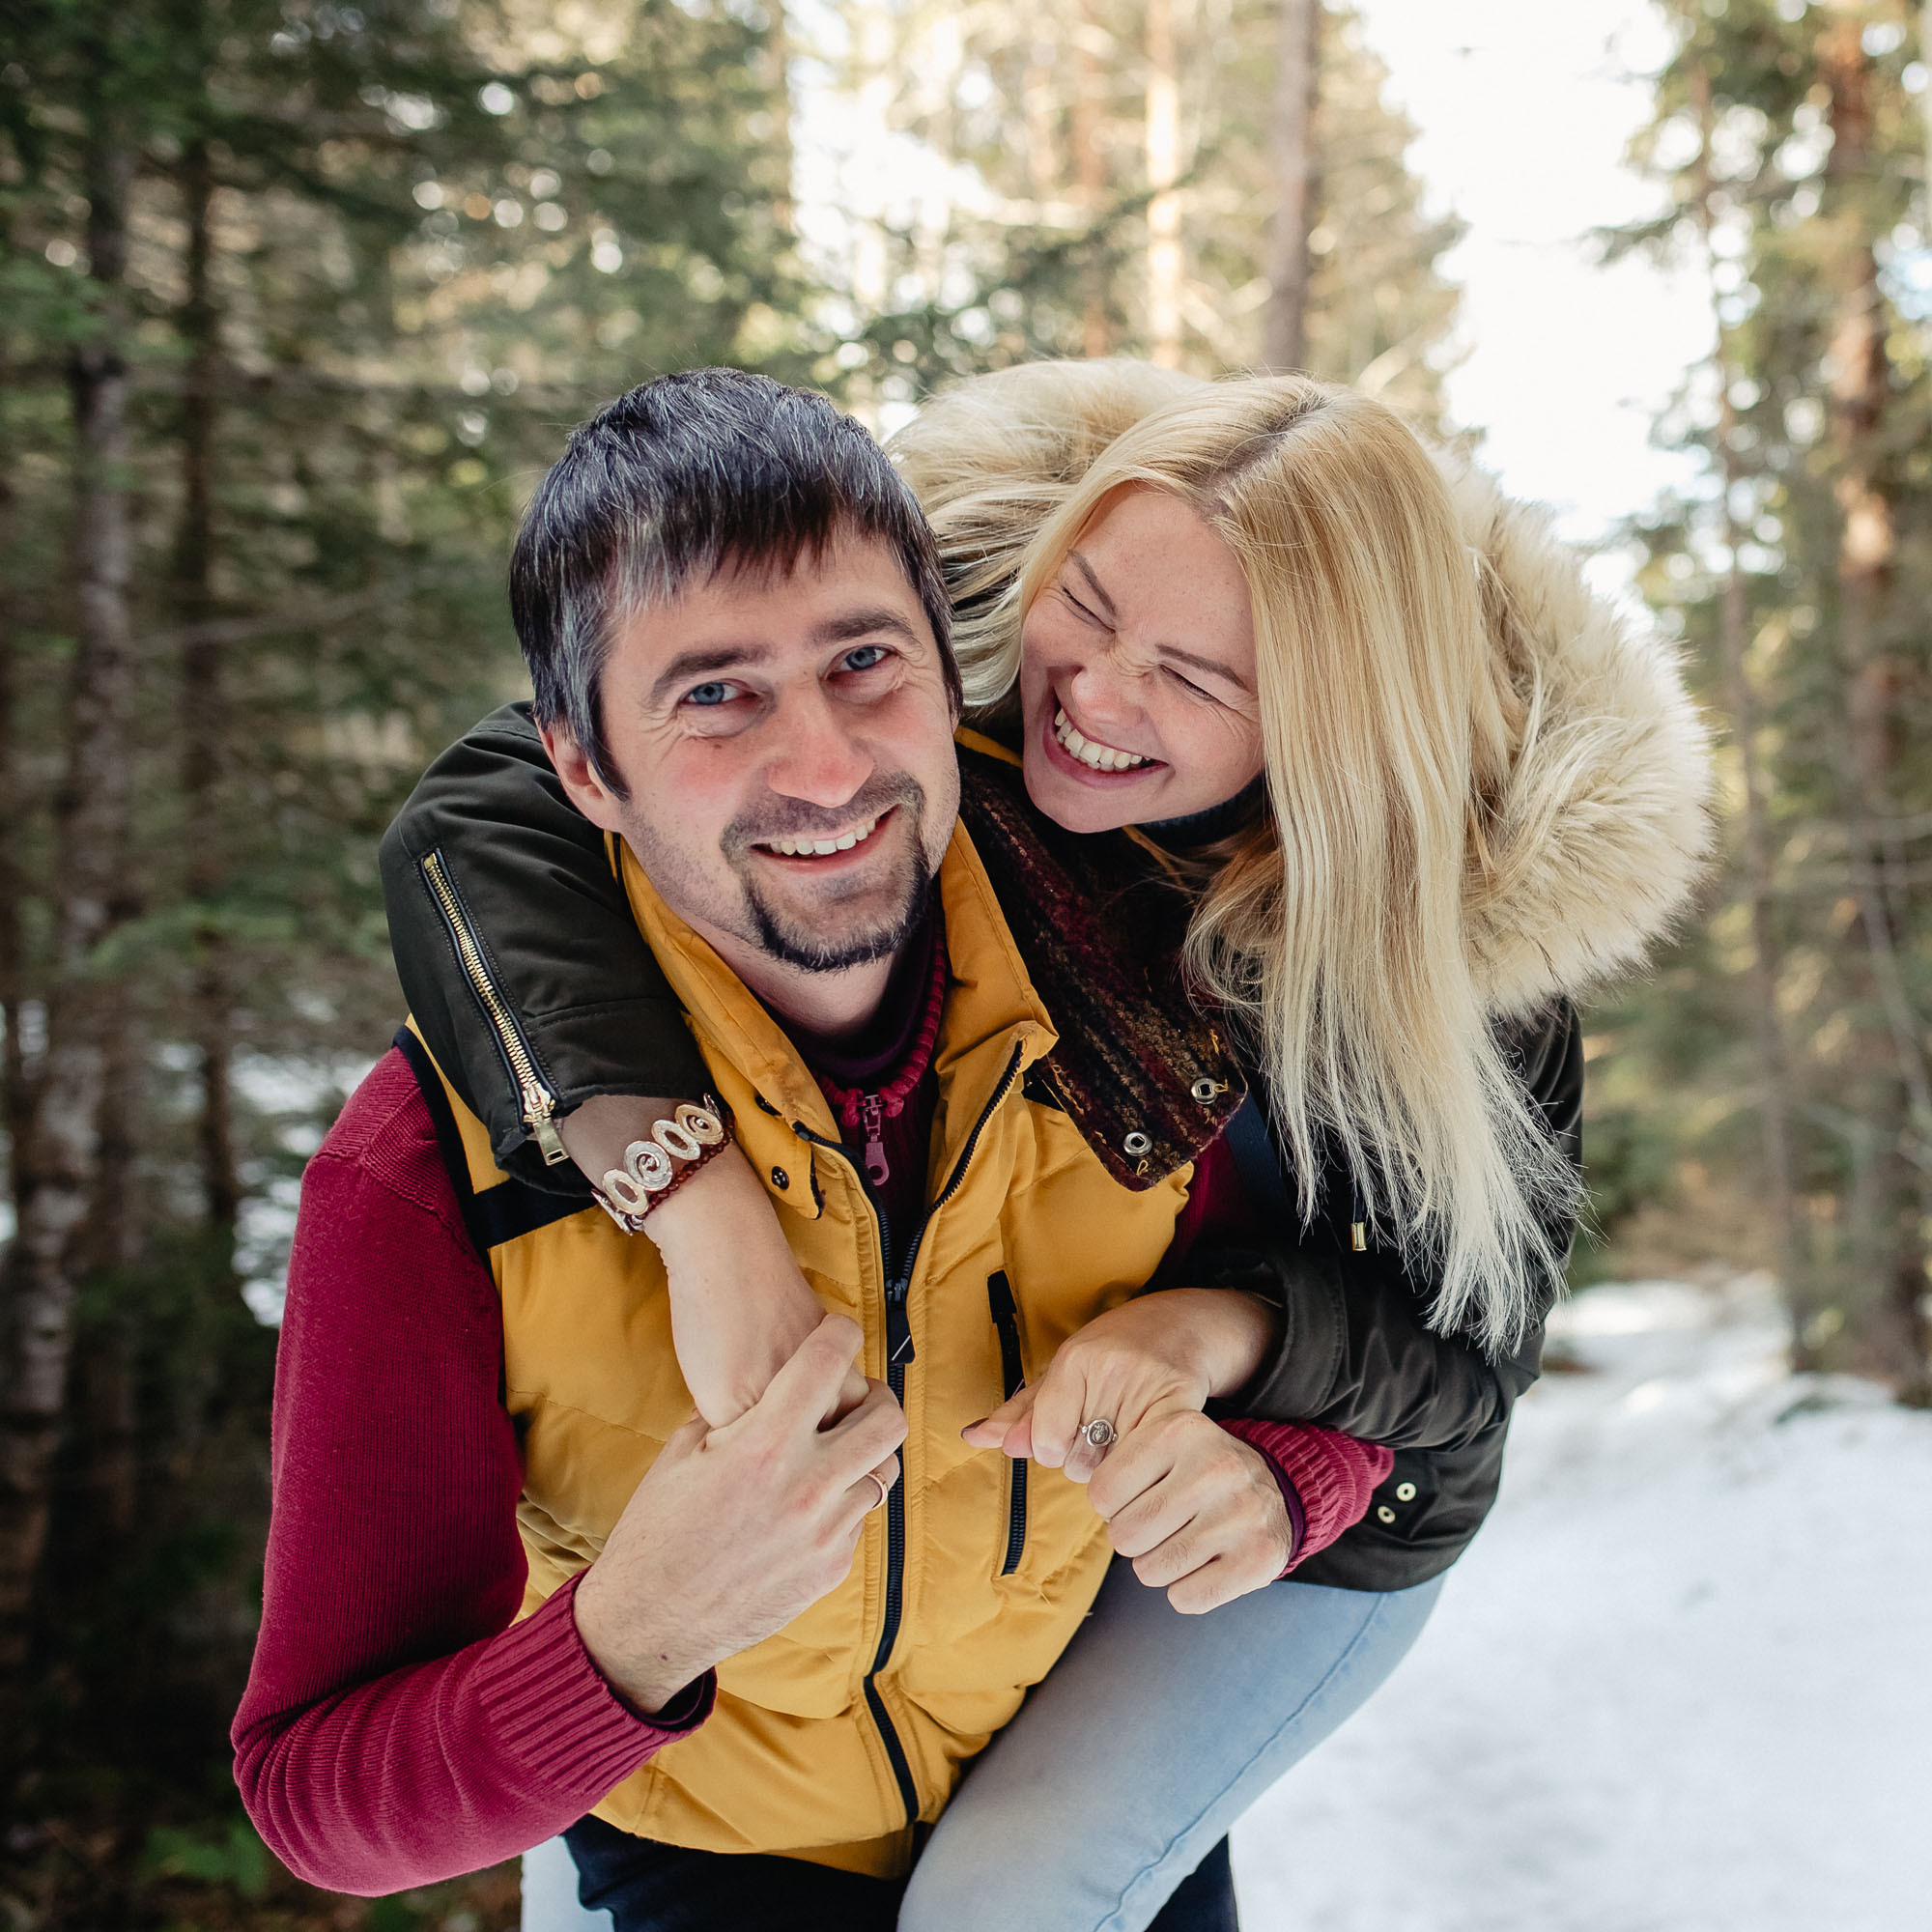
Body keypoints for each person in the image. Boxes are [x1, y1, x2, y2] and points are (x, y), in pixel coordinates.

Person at [376, 361, 1712, 1929]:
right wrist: (702, 1207)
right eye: (1091, 606)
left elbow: (1460, 1373)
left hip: (1280, 1534)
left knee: (1017, 1896)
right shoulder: (936, 687)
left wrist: (1233, 1368)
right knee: (619, 1837)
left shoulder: (1470, 970)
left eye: (1198, 678)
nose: (1097, 693)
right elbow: (485, 812)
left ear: (1339, 726)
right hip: (981, 1481)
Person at [232, 370, 1403, 1932]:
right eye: (714, 696)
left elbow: (1382, 1335)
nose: (829, 765)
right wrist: (633, 1634)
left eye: (865, 662)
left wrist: (1274, 1473)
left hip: (1065, 1802)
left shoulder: (1156, 1008)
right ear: (583, 768)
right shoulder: (429, 1172)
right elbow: (319, 1793)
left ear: (948, 667)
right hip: (700, 1858)